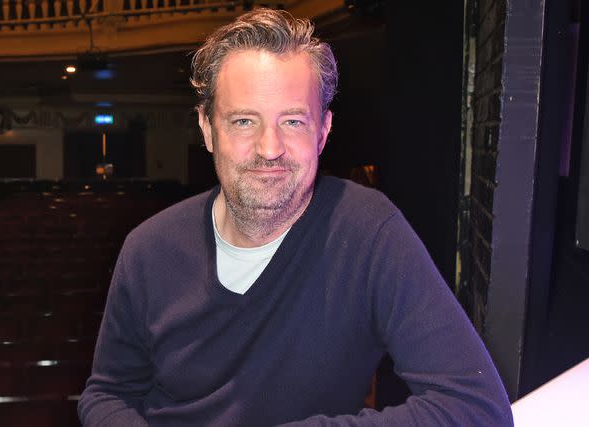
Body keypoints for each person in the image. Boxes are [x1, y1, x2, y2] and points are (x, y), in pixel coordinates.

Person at [78, 8, 513, 426]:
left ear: (322, 131)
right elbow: (108, 395)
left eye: (292, 121)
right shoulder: (147, 249)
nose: (270, 149)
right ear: (208, 129)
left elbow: (475, 408)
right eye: (244, 121)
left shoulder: (368, 233)